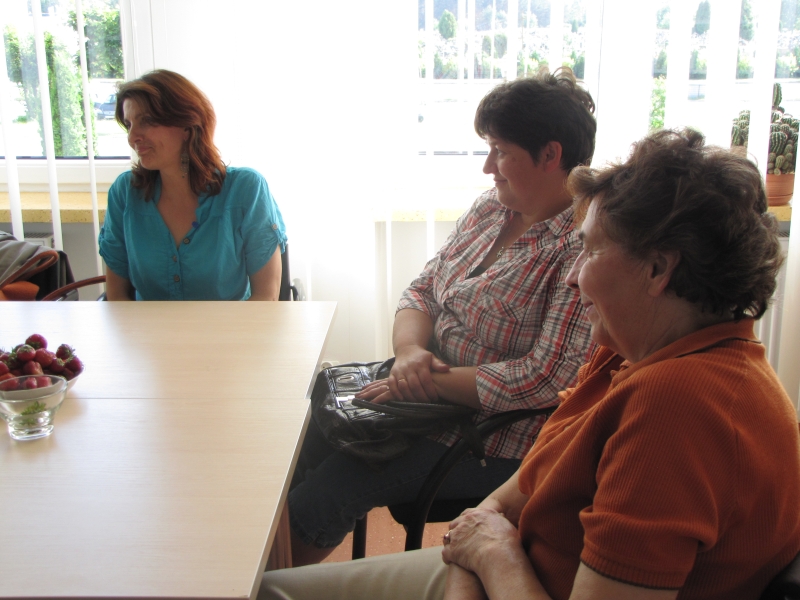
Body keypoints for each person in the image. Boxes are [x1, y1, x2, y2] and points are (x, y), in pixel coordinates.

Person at [259, 129, 800, 599]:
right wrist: (477, 549)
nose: (574, 276)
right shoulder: (627, 354)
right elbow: (515, 492)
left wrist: (490, 555)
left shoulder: (677, 407)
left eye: (591, 251)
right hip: (507, 570)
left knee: (269, 590)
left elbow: (496, 538)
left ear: (658, 270)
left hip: (513, 573)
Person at [289, 67, 597, 566]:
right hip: (421, 398)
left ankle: (265, 582)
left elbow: (545, 377)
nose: (487, 166)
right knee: (310, 434)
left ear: (550, 155)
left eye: (500, 151)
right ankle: (270, 559)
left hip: (497, 436)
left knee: (333, 487)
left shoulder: (581, 244)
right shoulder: (490, 209)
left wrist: (426, 381)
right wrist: (410, 352)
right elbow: (424, 288)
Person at [98, 69, 286, 301]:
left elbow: (266, 299)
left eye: (146, 121)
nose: (132, 137)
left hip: (231, 326)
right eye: (129, 125)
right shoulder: (125, 193)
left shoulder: (246, 190)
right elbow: (117, 297)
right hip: (145, 327)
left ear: (187, 125)